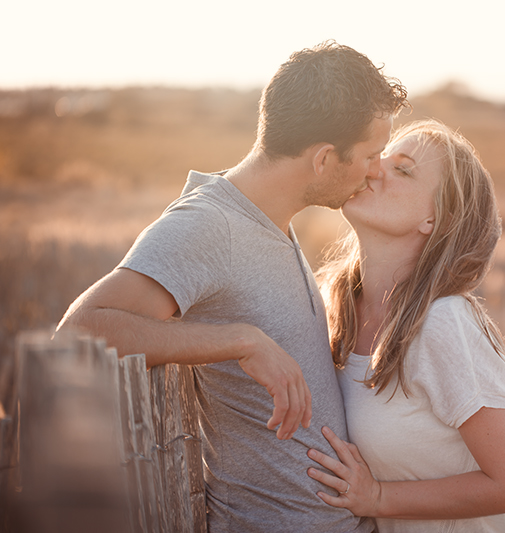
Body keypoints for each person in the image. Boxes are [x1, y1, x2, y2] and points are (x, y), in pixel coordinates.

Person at [57, 41, 408, 532]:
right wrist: (239, 341)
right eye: (371, 155)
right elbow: (79, 335)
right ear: (324, 159)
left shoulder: (270, 220)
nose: (376, 170)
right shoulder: (209, 225)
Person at [309, 119, 505, 532]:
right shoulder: (332, 307)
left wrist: (378, 497)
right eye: (381, 157)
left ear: (433, 219)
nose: (374, 168)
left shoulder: (442, 322)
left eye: (403, 169)